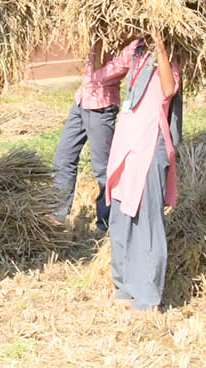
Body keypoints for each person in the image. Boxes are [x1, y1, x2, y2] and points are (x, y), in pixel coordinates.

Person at [104, 37, 184, 312]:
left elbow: (169, 88)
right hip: (126, 142)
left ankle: (147, 296)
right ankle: (124, 286)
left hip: (150, 144)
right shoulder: (136, 49)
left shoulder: (170, 55)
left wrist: (161, 44)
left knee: (146, 221)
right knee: (120, 218)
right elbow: (112, 69)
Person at [54, 39, 134, 231]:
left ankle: (107, 224)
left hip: (102, 105)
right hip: (81, 101)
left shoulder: (132, 43)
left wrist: (93, 75)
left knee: (103, 170)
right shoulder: (98, 31)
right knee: (63, 157)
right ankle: (58, 214)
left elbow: (117, 68)